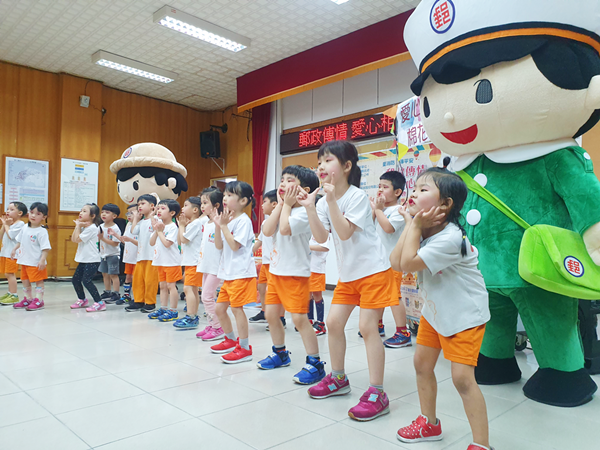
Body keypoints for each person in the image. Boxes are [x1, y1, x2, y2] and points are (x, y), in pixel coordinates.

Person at [391, 167, 492, 450]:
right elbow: (395, 262)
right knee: (422, 365)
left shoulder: (450, 238)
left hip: (464, 315)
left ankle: (481, 444)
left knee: (462, 379)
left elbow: (408, 263)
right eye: (415, 188)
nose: (414, 193)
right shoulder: (423, 230)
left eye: (424, 190)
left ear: (446, 204)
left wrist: (413, 226)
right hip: (436, 312)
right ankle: (429, 423)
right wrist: (413, 225)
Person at [297, 140, 396, 422]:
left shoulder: (356, 198)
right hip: (349, 275)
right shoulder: (325, 200)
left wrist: (328, 202)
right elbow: (320, 237)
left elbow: (343, 233)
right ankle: (338, 378)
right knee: (333, 323)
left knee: (367, 327)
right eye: (319, 163)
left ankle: (378, 392)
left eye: (327, 161)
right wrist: (310, 208)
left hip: (374, 271)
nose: (321, 167)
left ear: (347, 166)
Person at [257, 166, 326, 384]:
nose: (283, 184)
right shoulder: (283, 208)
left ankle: (315, 363)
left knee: (299, 319)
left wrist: (285, 205)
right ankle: (280, 353)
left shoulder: (303, 213)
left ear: (304, 190)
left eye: (289, 180)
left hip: (295, 274)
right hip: (276, 273)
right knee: (271, 315)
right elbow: (268, 231)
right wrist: (281, 205)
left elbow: (285, 229)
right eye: (282, 180)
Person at [209, 181, 257, 363]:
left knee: (237, 309)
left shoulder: (243, 221)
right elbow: (220, 245)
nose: (225, 198)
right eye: (225, 195)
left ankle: (244, 348)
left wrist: (223, 226)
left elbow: (235, 246)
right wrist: (218, 224)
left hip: (241, 273)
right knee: (220, 309)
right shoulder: (227, 221)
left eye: (230, 195)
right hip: (228, 274)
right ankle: (230, 339)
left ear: (243, 200)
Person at [371, 170, 412, 348]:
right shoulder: (381, 210)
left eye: (385, 187)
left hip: (393, 262)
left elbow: (388, 228)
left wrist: (378, 210)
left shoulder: (398, 210)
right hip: (379, 262)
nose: (380, 190)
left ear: (397, 192)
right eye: (379, 186)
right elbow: (369, 228)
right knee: (379, 294)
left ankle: (403, 332)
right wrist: (374, 211)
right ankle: (378, 325)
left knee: (395, 297)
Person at [195, 187, 225, 341]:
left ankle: (218, 327)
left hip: (216, 266)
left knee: (207, 297)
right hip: (206, 265)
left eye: (205, 203)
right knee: (206, 296)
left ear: (217, 205)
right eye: (201, 203)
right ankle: (212, 324)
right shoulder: (206, 223)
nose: (202, 206)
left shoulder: (221, 223)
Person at [11, 202, 51, 311]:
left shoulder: (42, 231)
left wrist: (42, 260)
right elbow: (19, 241)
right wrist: (14, 249)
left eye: (38, 214)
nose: (33, 215)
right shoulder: (24, 227)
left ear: (44, 217)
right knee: (25, 280)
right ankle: (28, 299)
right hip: (24, 260)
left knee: (38, 281)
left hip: (36, 262)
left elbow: (45, 248)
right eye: (32, 212)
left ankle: (39, 300)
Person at [148, 199, 182, 322]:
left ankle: (173, 311)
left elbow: (167, 244)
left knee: (171, 286)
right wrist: (157, 230)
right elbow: (151, 243)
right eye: (158, 208)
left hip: (171, 262)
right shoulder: (159, 226)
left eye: (163, 208)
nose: (159, 210)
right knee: (162, 286)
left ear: (172, 213)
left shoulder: (173, 227)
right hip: (160, 261)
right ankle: (163, 308)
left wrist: (160, 231)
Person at [173, 196, 204, 329]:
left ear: (195, 209)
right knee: (194, 289)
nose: (182, 208)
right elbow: (180, 241)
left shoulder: (196, 223)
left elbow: (184, 240)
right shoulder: (192, 224)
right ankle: (193, 315)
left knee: (188, 288)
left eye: (186, 205)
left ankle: (191, 316)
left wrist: (181, 226)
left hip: (194, 261)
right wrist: (182, 227)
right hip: (191, 261)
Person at [249, 190, 278, 324]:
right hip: (265, 262)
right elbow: (259, 240)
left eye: (264, 202)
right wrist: (248, 253)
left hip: (275, 263)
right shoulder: (265, 222)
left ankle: (278, 317)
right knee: (261, 288)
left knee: (274, 291)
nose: (261, 205)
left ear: (274, 204)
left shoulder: (279, 221)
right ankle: (264, 312)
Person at [127, 194, 158, 312]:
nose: (139, 206)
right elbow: (133, 231)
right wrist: (135, 218)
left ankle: (150, 303)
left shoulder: (156, 219)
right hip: (141, 256)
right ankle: (138, 300)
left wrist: (153, 215)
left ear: (152, 206)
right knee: (138, 280)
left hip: (151, 256)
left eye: (142, 203)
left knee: (150, 281)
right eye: (138, 204)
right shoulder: (141, 222)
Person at [69, 204, 104, 312]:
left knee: (87, 281)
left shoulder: (92, 228)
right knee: (75, 279)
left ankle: (100, 302)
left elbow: (76, 239)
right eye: (81, 211)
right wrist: (79, 226)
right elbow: (74, 239)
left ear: (92, 216)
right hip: (84, 259)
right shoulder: (86, 227)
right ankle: (82, 299)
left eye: (84, 211)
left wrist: (78, 226)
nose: (80, 213)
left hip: (92, 259)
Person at [0, 202, 27, 305]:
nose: (8, 211)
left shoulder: (20, 224)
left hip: (12, 254)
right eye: (7, 209)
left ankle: (14, 295)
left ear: (19, 213)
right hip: (5, 253)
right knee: (7, 274)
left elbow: (11, 235)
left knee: (10, 274)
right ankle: (9, 293)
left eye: (11, 210)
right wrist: (4, 225)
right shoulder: (9, 224)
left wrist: (6, 225)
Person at [98, 203, 121, 304]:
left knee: (113, 275)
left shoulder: (115, 228)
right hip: (103, 254)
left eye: (107, 213)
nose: (103, 214)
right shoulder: (100, 226)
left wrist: (103, 238)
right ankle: (107, 291)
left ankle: (116, 293)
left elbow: (115, 243)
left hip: (113, 255)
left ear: (114, 216)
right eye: (102, 212)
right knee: (105, 274)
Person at [308, 231, 329, 335]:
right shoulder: (312, 234)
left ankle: (320, 323)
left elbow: (325, 248)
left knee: (317, 294)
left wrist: (309, 247)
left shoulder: (323, 232)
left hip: (317, 269)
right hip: (308, 268)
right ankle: (309, 319)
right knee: (308, 294)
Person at [117, 204, 138, 305]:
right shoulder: (128, 225)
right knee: (128, 277)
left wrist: (130, 240)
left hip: (137, 257)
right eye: (128, 213)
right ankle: (126, 296)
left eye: (132, 213)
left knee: (136, 278)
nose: (129, 215)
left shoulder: (140, 226)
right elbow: (125, 241)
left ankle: (136, 297)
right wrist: (115, 235)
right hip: (128, 256)